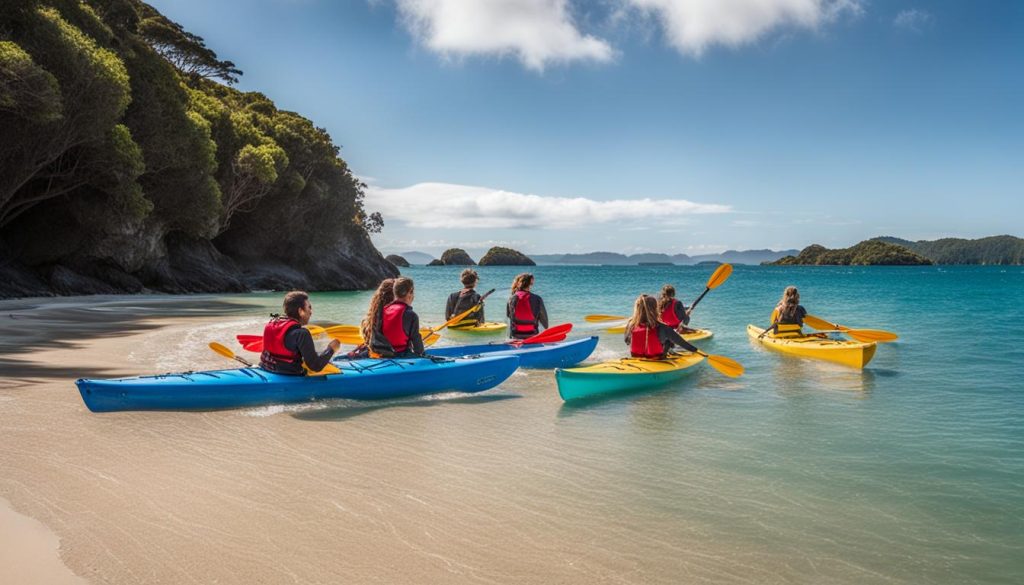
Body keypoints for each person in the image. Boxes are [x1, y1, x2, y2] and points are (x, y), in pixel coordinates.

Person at [259, 291, 340, 375]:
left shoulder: (271, 324)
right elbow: (315, 366)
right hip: (289, 375)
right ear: (301, 311)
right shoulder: (302, 334)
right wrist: (331, 349)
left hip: (266, 367)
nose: (311, 312)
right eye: (309, 308)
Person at [624, 295, 699, 358]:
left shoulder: (631, 324)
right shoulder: (662, 327)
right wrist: (695, 350)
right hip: (656, 358)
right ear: (655, 309)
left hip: (636, 357)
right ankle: (670, 351)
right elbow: (681, 342)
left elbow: (627, 341)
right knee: (668, 341)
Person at [371, 277, 426, 357]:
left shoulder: (383, 310)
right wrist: (423, 357)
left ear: (394, 292)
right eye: (412, 292)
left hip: (383, 354)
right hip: (401, 354)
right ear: (409, 293)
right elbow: (417, 343)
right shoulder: (411, 315)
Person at [506, 272, 548, 340]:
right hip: (532, 335)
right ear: (530, 284)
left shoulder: (511, 298)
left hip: (516, 335)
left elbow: (509, 315)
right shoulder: (537, 299)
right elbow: (545, 324)